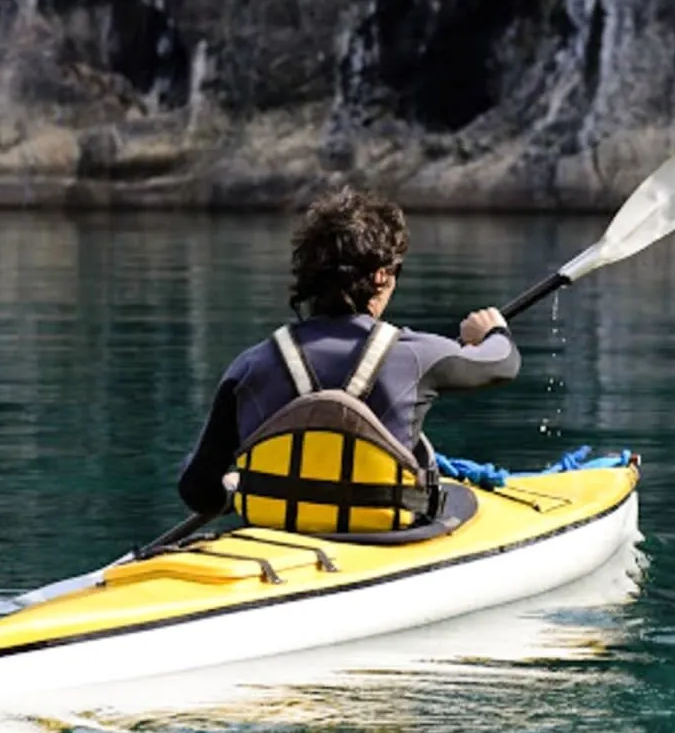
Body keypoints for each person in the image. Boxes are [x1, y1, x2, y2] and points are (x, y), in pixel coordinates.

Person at [175, 187, 520, 529]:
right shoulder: (415, 355)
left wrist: (235, 490)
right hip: (387, 540)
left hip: (280, 540)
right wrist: (493, 330)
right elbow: (503, 362)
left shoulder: (249, 366)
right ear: (381, 275)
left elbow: (197, 491)